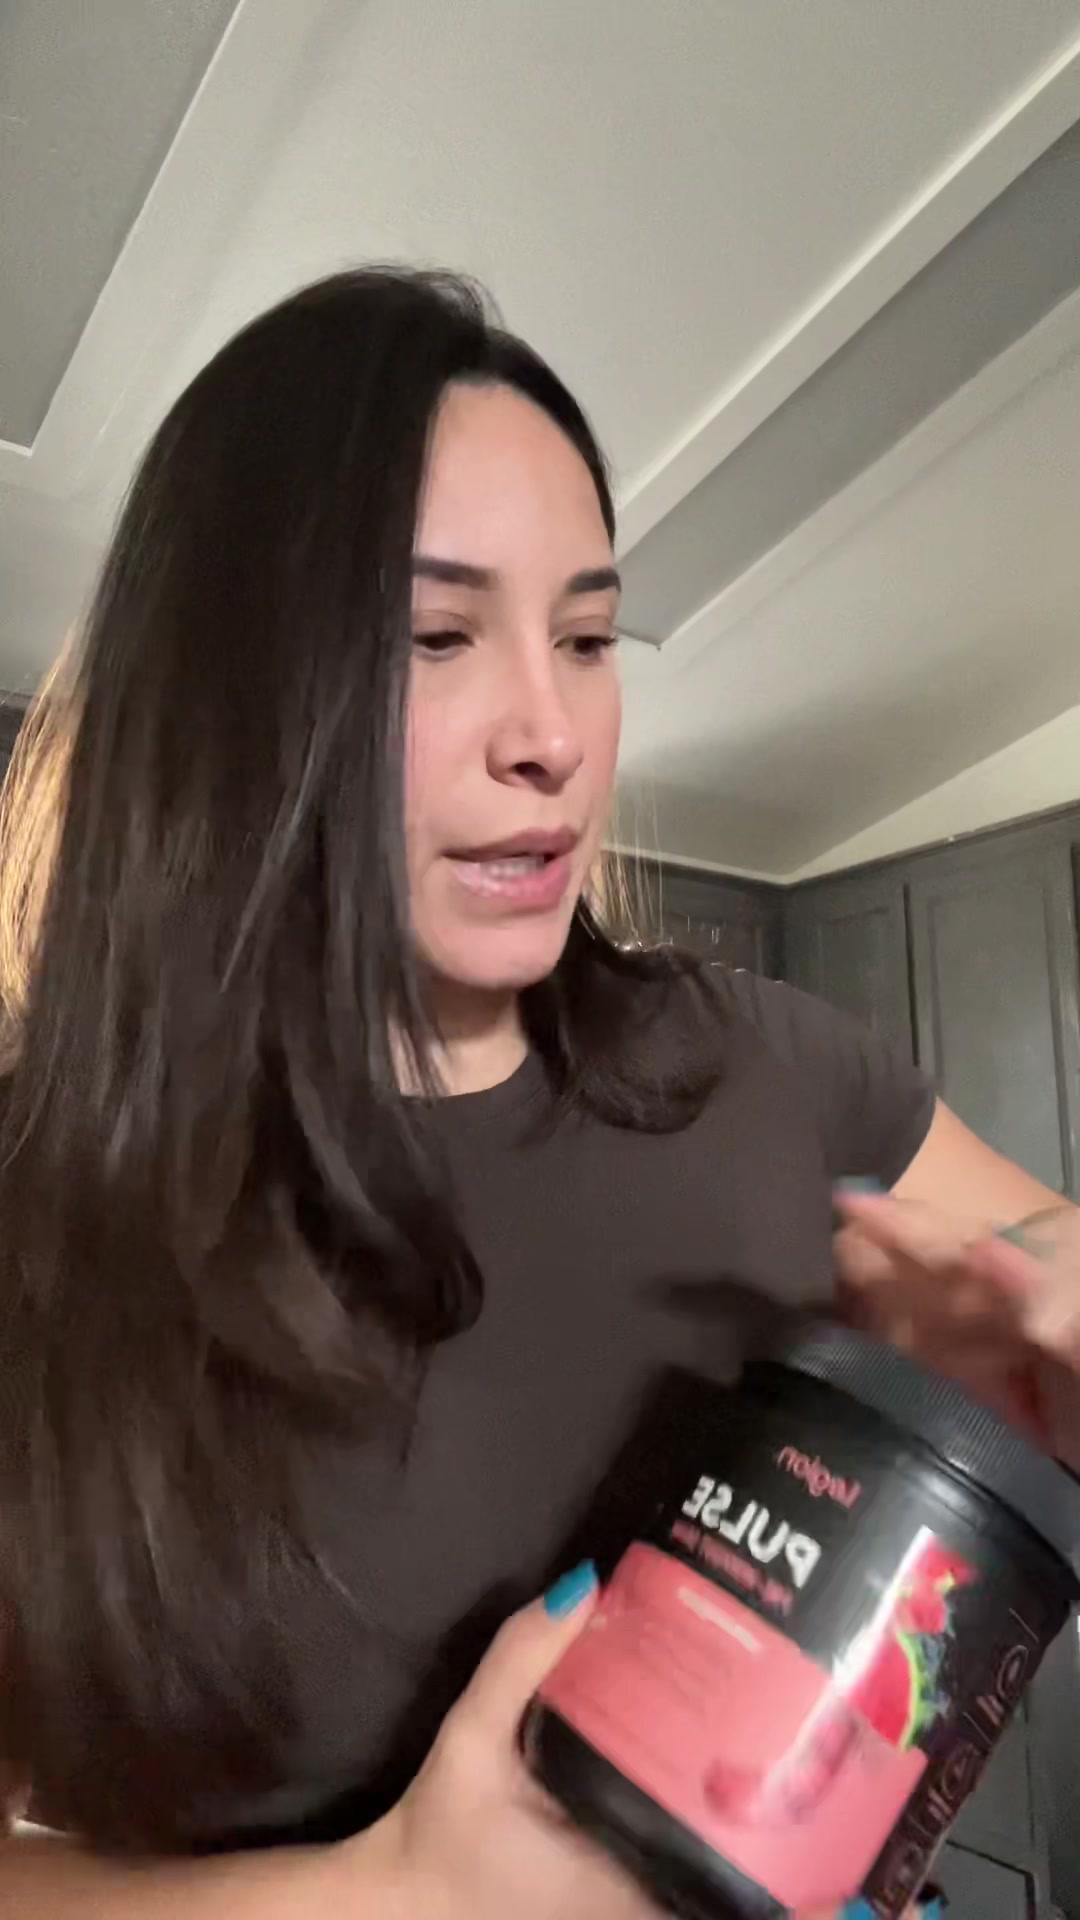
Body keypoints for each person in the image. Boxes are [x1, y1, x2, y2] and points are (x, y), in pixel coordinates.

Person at [0, 267, 1073, 1920]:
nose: (553, 734)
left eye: (586, 637)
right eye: (436, 637)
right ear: (226, 691)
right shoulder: (38, 1214)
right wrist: (398, 1895)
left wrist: (1026, 1359)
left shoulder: (764, 1061)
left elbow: (1045, 1260)